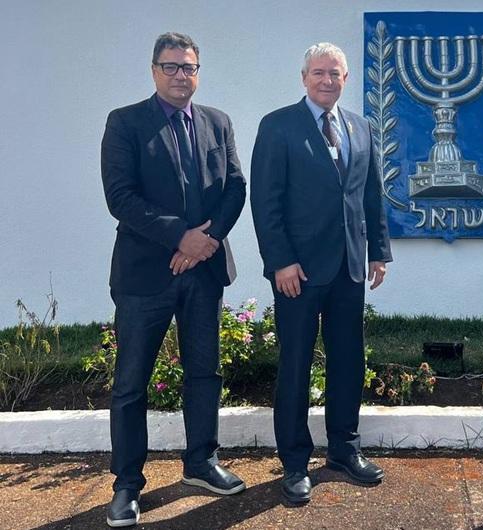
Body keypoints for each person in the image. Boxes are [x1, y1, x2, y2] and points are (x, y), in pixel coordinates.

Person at [100, 32, 246, 527]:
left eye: (188, 67)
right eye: (171, 66)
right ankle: (126, 485)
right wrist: (180, 238)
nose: (180, 75)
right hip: (145, 275)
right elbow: (120, 196)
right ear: (154, 70)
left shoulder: (217, 122)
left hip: (204, 271)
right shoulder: (125, 123)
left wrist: (207, 239)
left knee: (204, 372)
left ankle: (201, 462)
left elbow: (235, 187)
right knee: (130, 384)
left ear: (198, 72)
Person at [250, 42, 392, 505]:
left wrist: (378, 253)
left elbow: (371, 194)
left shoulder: (360, 127)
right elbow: (266, 201)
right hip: (299, 270)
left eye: (335, 73)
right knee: (295, 364)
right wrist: (280, 261)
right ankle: (294, 463)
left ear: (345, 79)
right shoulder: (278, 126)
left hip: (350, 266)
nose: (327, 80)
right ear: (304, 77)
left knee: (348, 359)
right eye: (318, 73)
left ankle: (344, 450)